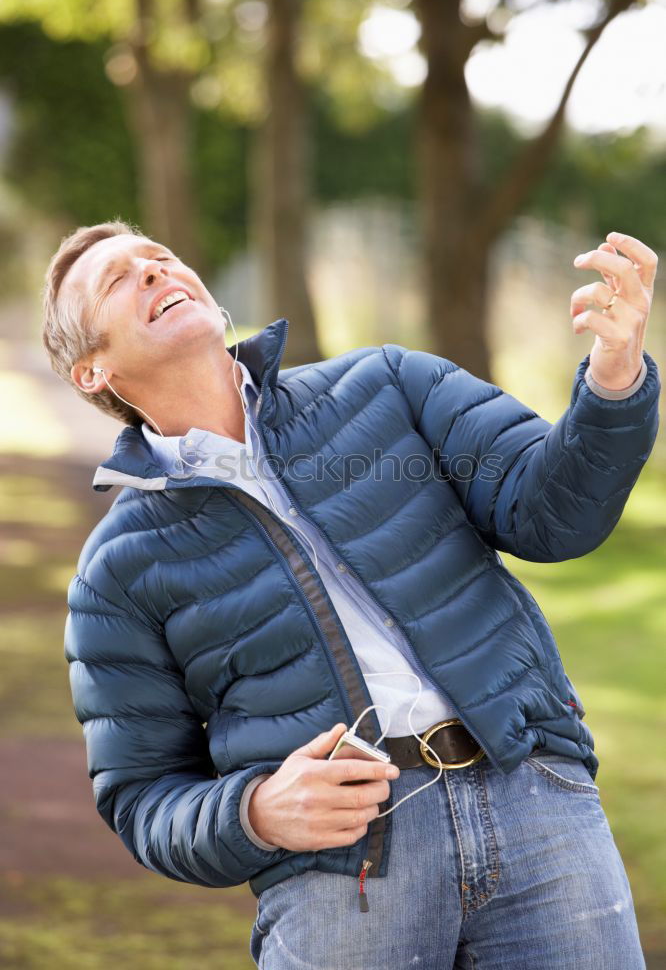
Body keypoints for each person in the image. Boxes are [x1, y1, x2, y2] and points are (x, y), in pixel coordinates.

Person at [42, 220, 659, 969]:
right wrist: (257, 812)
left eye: (161, 259)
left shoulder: (387, 385)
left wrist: (614, 375)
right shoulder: (115, 570)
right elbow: (142, 797)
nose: (154, 272)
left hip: (533, 795)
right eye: (118, 280)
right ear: (90, 371)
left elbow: (552, 514)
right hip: (344, 872)